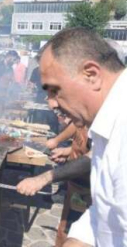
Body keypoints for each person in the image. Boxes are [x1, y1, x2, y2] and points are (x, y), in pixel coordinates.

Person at [38, 27, 127, 247]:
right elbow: (107, 211)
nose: (51, 103)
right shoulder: (108, 123)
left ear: (92, 75)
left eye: (55, 90)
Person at [17, 123, 91, 246]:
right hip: (75, 185)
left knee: (71, 235)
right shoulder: (86, 117)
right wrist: (68, 151)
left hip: (89, 191)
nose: (53, 107)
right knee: (63, 230)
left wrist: (43, 178)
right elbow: (79, 129)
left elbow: (96, 156)